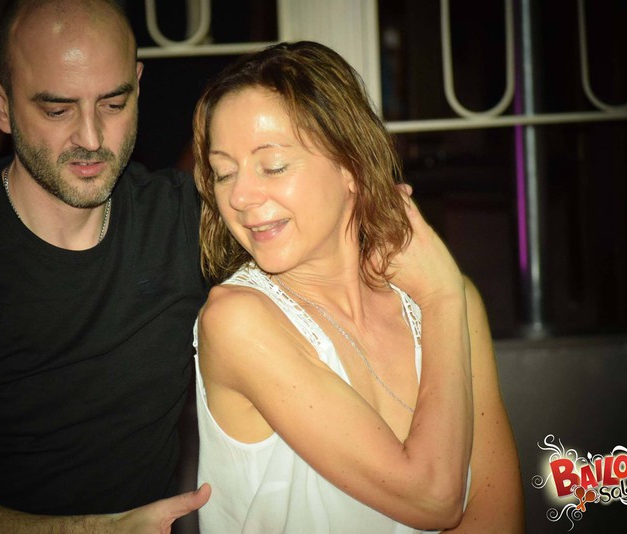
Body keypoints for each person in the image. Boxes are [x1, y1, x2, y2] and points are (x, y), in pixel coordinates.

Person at [0, 0, 211, 531]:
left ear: (138, 87)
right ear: (0, 106)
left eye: (113, 104)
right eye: (57, 110)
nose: (91, 138)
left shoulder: (176, 219)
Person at [191, 41, 524, 532]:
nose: (239, 196)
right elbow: (434, 499)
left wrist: (445, 299)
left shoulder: (449, 300)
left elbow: (494, 515)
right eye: (223, 173)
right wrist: (442, 298)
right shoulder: (236, 320)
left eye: (273, 165)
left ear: (350, 166)